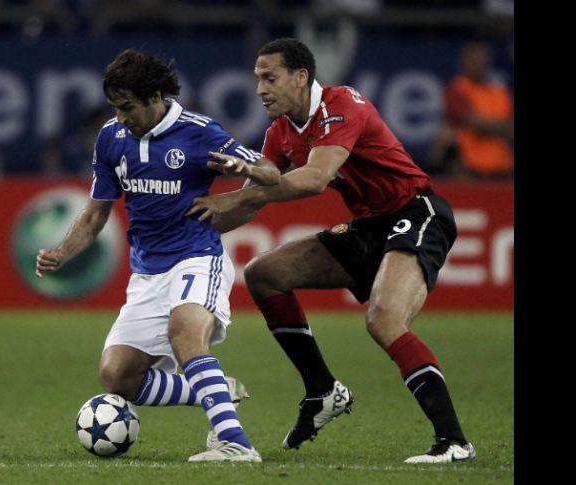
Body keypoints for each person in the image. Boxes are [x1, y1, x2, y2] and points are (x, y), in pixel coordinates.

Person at [186, 38, 476, 464]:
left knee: (384, 320)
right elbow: (249, 200)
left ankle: (454, 442)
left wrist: (243, 183)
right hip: (368, 226)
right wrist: (186, 225)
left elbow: (316, 178)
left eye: (270, 78)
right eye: (257, 79)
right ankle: (322, 391)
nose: (260, 89)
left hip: (416, 212)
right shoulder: (280, 133)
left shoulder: (342, 104)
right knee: (264, 274)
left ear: (300, 78)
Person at [35, 48, 280, 462]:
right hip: (147, 272)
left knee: (185, 331)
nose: (121, 116)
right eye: (115, 108)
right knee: (118, 376)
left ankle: (235, 442)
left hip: (196, 257)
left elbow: (272, 174)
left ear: (154, 98)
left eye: (127, 107)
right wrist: (63, 252)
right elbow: (96, 214)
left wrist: (244, 171)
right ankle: (218, 389)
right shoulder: (111, 138)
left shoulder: (200, 131)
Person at [428, 41, 514, 178]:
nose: (479, 65)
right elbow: (472, 121)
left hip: (504, 168)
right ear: (464, 63)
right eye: (475, 61)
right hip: (471, 169)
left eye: (483, 62)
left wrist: (488, 125)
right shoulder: (457, 89)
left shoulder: (500, 92)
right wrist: (501, 126)